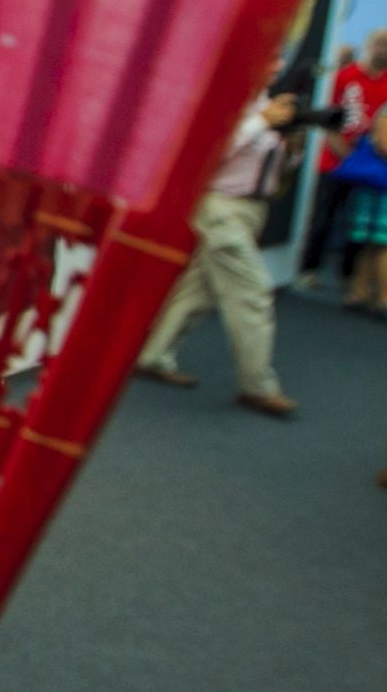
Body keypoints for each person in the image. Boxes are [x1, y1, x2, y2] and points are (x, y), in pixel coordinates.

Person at [136, 82, 302, 416]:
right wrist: (262, 123)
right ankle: (257, 387)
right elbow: (207, 155)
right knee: (253, 293)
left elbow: (278, 169)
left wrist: (292, 143)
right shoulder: (229, 101)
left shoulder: (268, 105)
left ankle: (152, 357)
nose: (277, 65)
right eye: (272, 59)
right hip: (220, 207)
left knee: (198, 291)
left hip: (251, 210)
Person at [299, 28, 387, 287]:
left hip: (370, 166)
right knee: (323, 216)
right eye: (379, 44)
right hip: (334, 160)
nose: (383, 50)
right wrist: (339, 147)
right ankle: (309, 268)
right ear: (368, 45)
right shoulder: (344, 76)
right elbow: (327, 116)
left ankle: (349, 276)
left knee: (359, 223)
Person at [340, 108, 387, 315]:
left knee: (373, 244)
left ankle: (360, 292)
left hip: (378, 189)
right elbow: (384, 144)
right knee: (381, 244)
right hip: (380, 189)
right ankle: (382, 297)